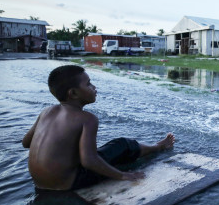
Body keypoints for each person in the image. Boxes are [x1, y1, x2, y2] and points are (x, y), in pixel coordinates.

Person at [22, 65, 175, 191]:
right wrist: (122, 175)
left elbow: (26, 143)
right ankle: (157, 147)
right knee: (122, 145)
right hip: (67, 184)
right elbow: (89, 161)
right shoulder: (87, 119)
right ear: (73, 93)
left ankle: (154, 147)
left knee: (98, 150)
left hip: (40, 182)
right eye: (88, 84)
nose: (94, 87)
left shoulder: (47, 112)